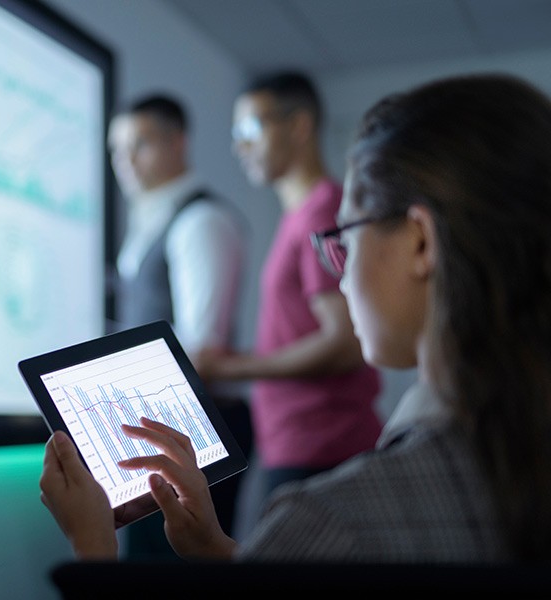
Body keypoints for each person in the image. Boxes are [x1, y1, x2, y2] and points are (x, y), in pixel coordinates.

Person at [40, 72, 551, 563]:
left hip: (313, 436)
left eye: (345, 239)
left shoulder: (330, 519)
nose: (343, 277)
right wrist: (218, 549)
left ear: (420, 242)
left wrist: (92, 548)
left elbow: (338, 346)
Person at [196, 71, 382, 509]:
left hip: (323, 446)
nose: (239, 146)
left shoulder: (322, 214)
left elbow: (345, 343)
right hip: (299, 443)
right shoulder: (302, 215)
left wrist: (229, 369)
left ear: (299, 125)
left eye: (250, 130)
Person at [106, 93, 252, 558]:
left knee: (175, 570)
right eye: (116, 149)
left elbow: (201, 349)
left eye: (141, 144)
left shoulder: (201, 221)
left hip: (194, 434)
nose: (125, 160)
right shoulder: (151, 220)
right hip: (160, 432)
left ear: (178, 144)